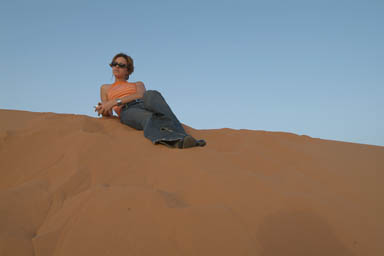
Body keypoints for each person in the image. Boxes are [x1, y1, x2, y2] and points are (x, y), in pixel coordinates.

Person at [94, 53, 206, 149]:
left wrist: (114, 102)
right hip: (128, 110)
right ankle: (175, 141)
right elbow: (107, 113)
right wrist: (103, 109)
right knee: (149, 118)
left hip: (144, 103)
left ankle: (184, 136)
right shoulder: (105, 88)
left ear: (128, 71)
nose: (116, 67)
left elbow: (140, 94)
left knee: (152, 94)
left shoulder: (138, 84)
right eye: (114, 64)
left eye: (121, 65)